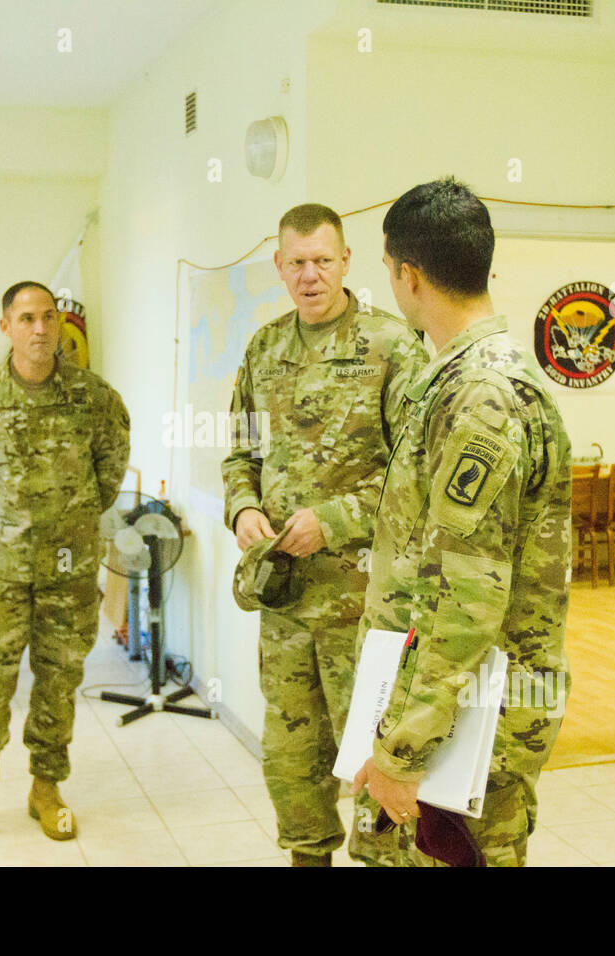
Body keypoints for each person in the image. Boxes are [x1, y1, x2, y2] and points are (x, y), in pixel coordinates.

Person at [348, 178, 572, 867]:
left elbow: (468, 598)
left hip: (465, 727)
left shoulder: (481, 396)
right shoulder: (455, 379)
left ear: (407, 275)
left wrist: (402, 750)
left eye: (387, 269)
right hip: (441, 707)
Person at [222, 204, 428, 866]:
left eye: (322, 260)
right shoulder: (263, 349)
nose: (309, 275)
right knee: (291, 758)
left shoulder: (391, 346)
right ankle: (306, 857)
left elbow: (417, 476)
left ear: (346, 261)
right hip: (283, 605)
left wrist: (334, 519)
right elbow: (239, 455)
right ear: (279, 267)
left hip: (366, 611)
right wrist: (242, 508)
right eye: (296, 262)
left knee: (374, 760)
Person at [0, 281, 130, 856]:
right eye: (27, 318)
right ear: (6, 327)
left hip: (68, 573)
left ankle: (46, 788)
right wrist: (7, 522)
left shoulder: (95, 398)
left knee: (59, 682)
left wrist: (64, 520)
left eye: (49, 317)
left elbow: (110, 471)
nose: (41, 329)